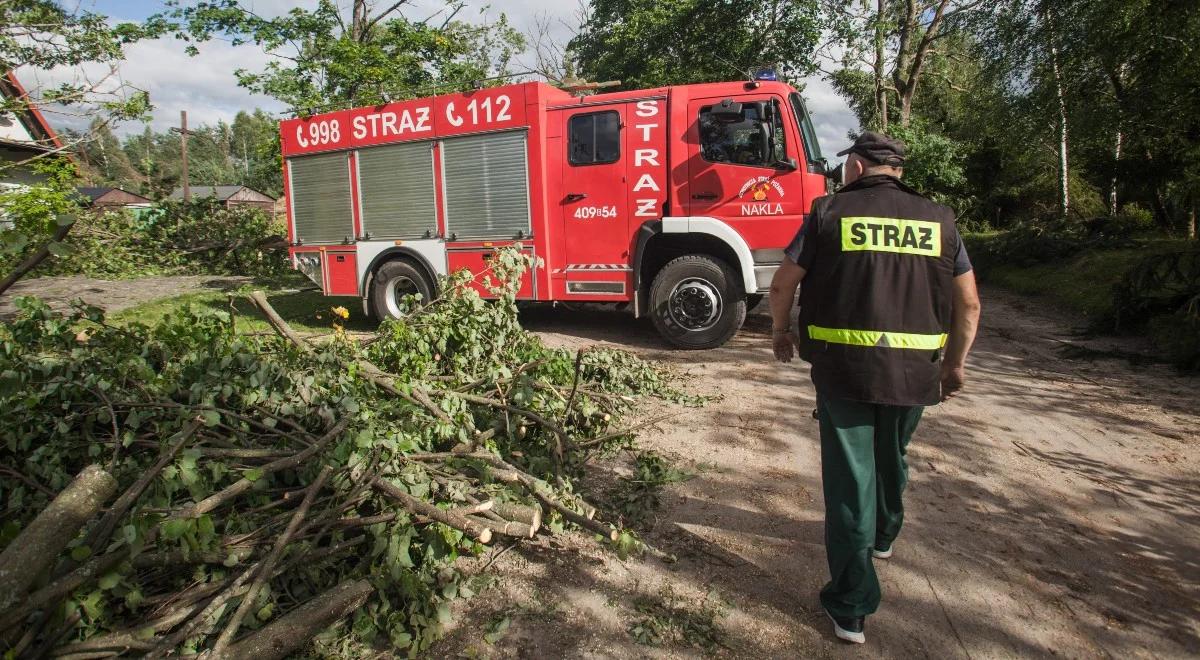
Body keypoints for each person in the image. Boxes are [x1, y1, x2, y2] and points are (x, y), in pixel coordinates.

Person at [767, 132, 982, 644]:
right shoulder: (940, 219)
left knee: (850, 482)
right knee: (891, 455)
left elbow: (782, 283)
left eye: (846, 166)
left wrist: (779, 331)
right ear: (898, 169)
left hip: (844, 373)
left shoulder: (827, 214)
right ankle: (884, 535)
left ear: (858, 167)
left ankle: (851, 607)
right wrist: (955, 364)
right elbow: (969, 304)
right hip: (914, 373)